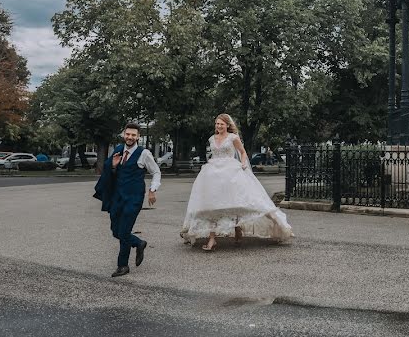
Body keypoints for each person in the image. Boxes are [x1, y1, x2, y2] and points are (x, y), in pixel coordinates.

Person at [180, 113, 293, 250]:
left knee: (236, 201)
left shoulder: (233, 137)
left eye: (221, 124)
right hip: (213, 173)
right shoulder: (211, 138)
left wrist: (244, 163)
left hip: (230, 171)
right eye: (217, 123)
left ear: (227, 125)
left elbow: (243, 152)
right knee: (211, 205)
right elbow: (214, 154)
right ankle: (212, 239)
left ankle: (238, 228)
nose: (219, 126)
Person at [93, 122, 162, 277]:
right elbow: (109, 170)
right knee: (115, 231)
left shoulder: (144, 153)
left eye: (133, 135)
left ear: (138, 137)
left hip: (133, 198)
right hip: (117, 197)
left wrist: (152, 189)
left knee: (124, 232)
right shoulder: (118, 150)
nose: (130, 137)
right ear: (124, 134)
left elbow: (156, 172)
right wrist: (113, 166)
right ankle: (138, 243)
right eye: (127, 134)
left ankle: (122, 265)